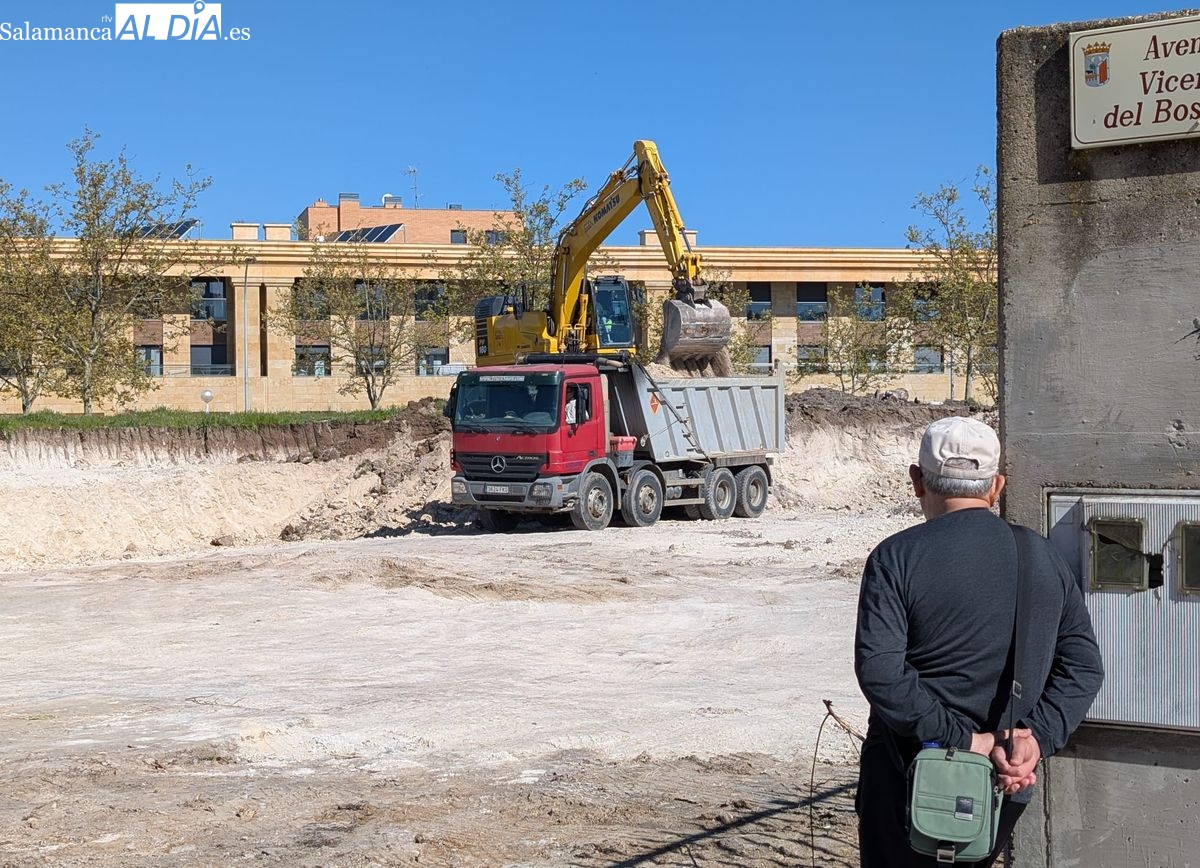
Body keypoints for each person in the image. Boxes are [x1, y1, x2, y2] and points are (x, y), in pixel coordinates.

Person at [854, 415, 1103, 867]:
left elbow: (881, 672)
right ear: (997, 487)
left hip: (907, 781)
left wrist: (967, 741)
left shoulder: (895, 558)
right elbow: (1083, 667)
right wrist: (1033, 740)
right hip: (1003, 782)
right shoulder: (1041, 555)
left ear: (916, 481)